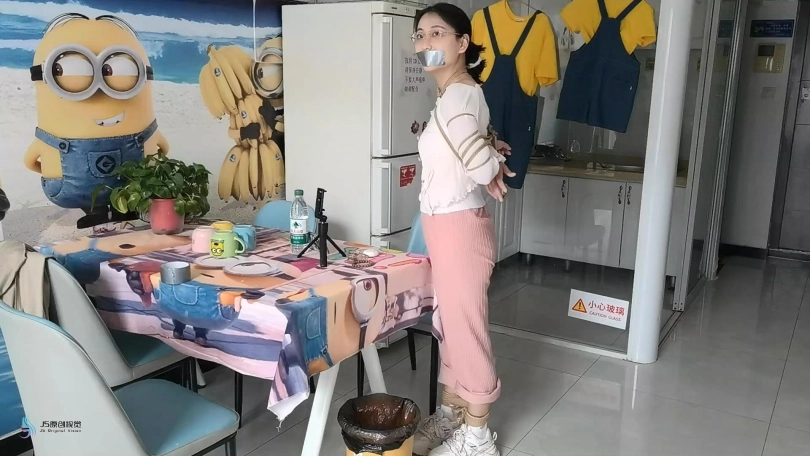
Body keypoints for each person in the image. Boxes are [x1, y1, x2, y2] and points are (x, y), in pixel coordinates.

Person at [411, 4, 513, 456]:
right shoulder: (455, 94)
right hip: (445, 225)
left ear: (462, 43)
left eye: (437, 33)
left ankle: (478, 436)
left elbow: (480, 166)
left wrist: (489, 159)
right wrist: (490, 150)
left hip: (458, 228)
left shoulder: (457, 97)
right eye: (420, 35)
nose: (426, 43)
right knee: (450, 325)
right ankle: (453, 414)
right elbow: (476, 154)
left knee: (465, 329)